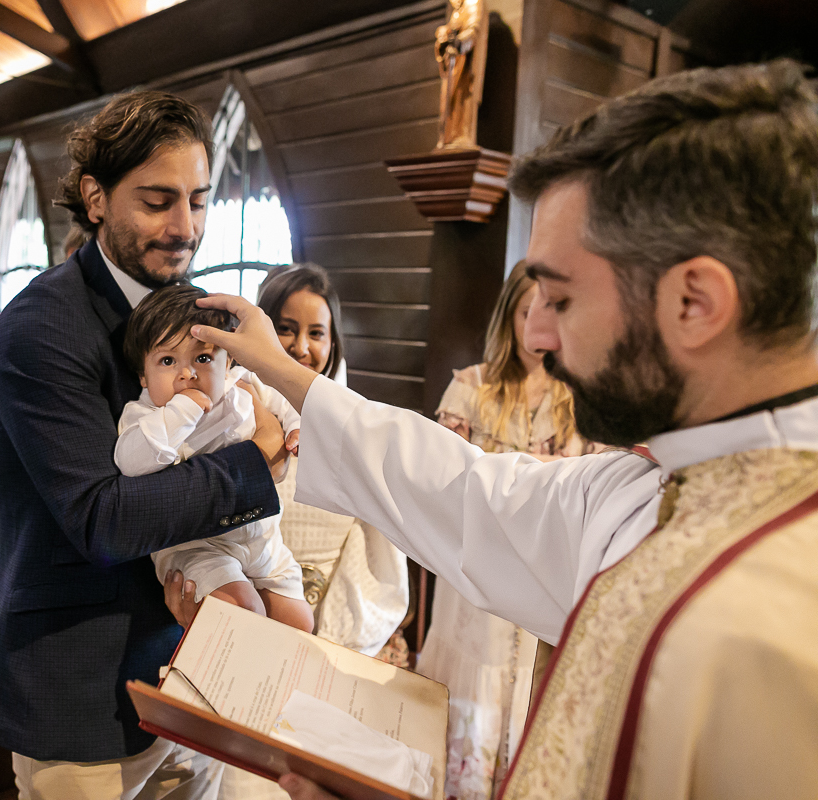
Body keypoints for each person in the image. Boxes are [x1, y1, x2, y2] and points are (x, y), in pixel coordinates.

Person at [190, 59, 818, 800]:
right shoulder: (652, 487)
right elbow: (469, 490)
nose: (539, 335)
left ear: (694, 302)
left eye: (560, 297)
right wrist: (283, 371)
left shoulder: (786, 609)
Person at [0, 90, 286, 800]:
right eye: (157, 201)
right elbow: (103, 519)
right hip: (80, 688)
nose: (185, 227)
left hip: (190, 672)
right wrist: (256, 462)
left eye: (200, 201)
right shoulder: (40, 326)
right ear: (96, 198)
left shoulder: (199, 311)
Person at [211, 263, 410, 800]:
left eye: (316, 332)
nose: (301, 347)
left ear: (334, 342)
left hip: (326, 640)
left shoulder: (355, 431)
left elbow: (376, 559)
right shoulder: (230, 414)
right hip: (243, 628)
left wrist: (326, 639)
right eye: (285, 328)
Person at [422, 264, 600, 799]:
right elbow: (443, 482)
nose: (540, 326)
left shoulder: (585, 398)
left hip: (549, 573)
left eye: (555, 309)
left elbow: (597, 485)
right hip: (476, 577)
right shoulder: (470, 388)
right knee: (474, 692)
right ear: (509, 316)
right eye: (528, 311)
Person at [116, 284, 312, 632]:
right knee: (242, 612)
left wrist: (297, 426)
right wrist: (182, 412)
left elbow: (284, 401)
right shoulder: (145, 415)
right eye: (167, 361)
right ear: (143, 375)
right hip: (196, 547)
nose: (187, 373)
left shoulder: (241, 383)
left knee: (299, 622)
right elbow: (129, 462)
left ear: (229, 361)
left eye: (203, 358)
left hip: (263, 537)